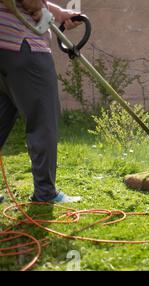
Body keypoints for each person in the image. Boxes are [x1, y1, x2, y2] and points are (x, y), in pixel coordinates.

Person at [0, 0, 82, 203]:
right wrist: (37, 8)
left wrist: (59, 13)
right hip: (23, 44)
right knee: (43, 119)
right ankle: (45, 192)